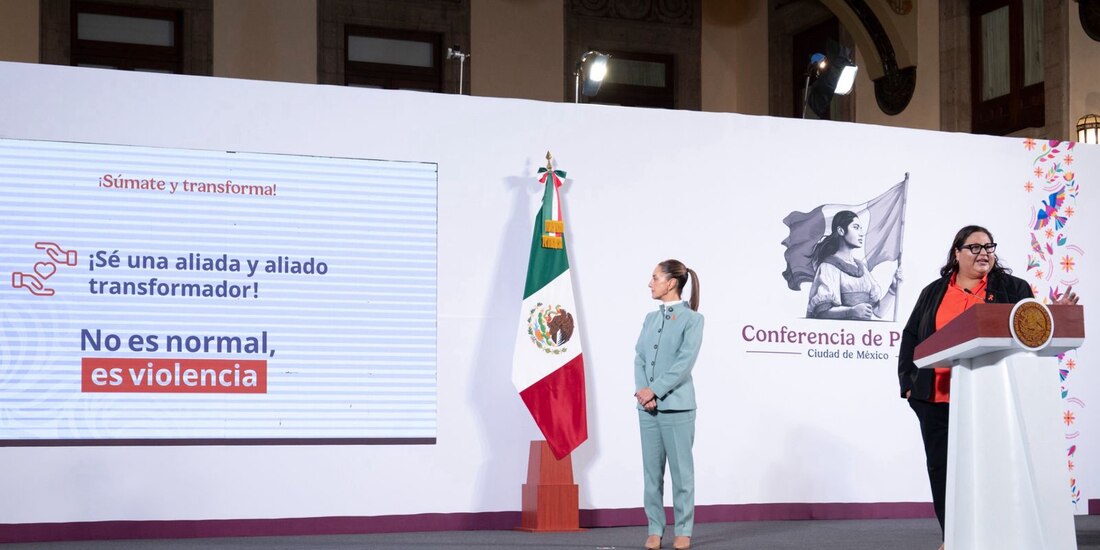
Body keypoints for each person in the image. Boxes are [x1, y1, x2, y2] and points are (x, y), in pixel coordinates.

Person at [897, 225, 1079, 550]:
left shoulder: (1012, 288)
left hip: (991, 398)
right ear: (957, 253)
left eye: (989, 247)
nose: (984, 253)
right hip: (936, 396)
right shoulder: (934, 292)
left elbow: (1030, 334)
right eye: (975, 247)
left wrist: (1053, 316)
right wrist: (908, 385)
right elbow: (912, 336)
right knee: (944, 471)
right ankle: (952, 538)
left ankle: (998, 536)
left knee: (991, 468)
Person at [634, 259, 704, 550]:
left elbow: (683, 363)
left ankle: (684, 529)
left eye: (654, 278)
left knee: (681, 473)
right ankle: (654, 527)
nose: (650, 283)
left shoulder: (693, 320)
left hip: (677, 407)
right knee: (652, 474)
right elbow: (639, 357)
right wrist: (642, 392)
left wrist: (655, 391)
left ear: (671, 282)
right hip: (646, 408)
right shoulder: (651, 319)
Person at [806, 210, 899, 320]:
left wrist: (893, 289)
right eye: (855, 227)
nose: (861, 233)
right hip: (840, 334)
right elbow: (822, 312)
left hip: (864, 334)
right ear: (841, 230)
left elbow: (878, 312)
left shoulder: (862, 268)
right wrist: (851, 311)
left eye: (860, 228)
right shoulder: (828, 267)